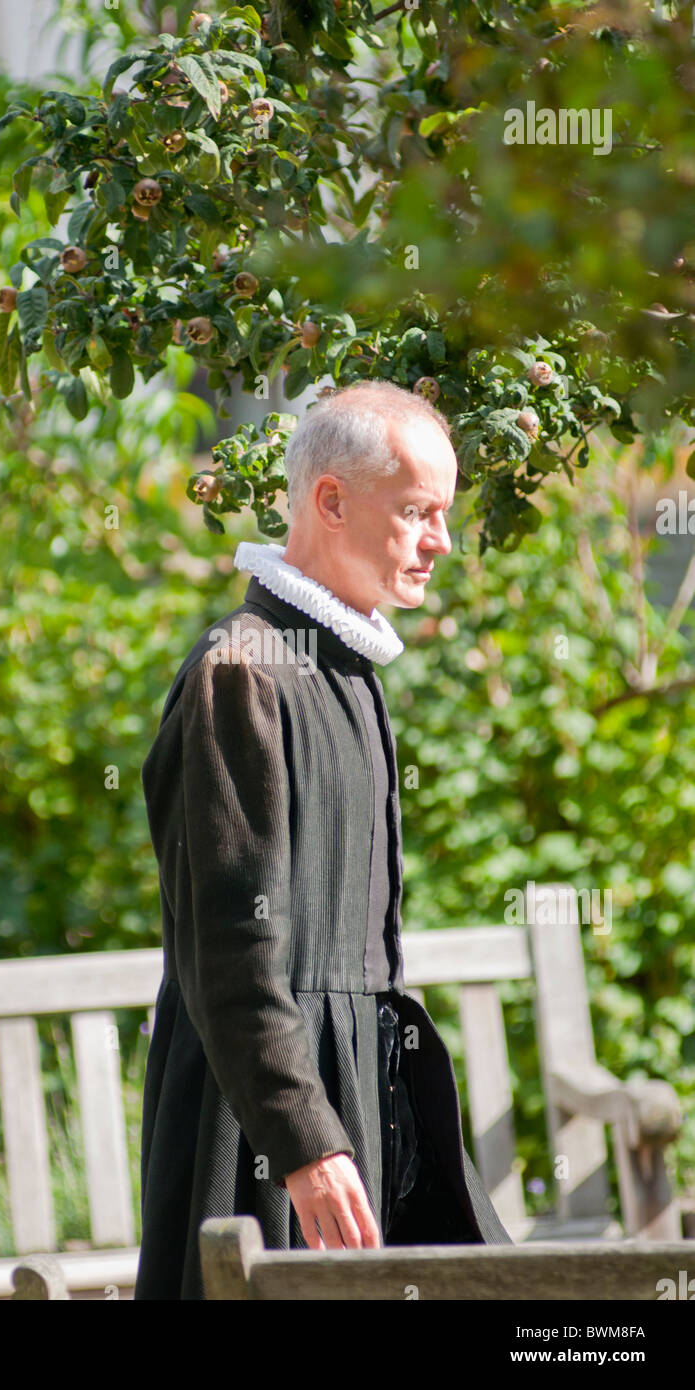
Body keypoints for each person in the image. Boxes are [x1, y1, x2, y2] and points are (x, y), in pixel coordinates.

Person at [134, 379, 512, 1301]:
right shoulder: (244, 672)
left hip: (350, 1088)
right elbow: (231, 955)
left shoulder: (346, 667)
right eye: (419, 511)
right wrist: (302, 1142)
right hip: (257, 1120)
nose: (440, 541)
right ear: (330, 501)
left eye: (444, 515)